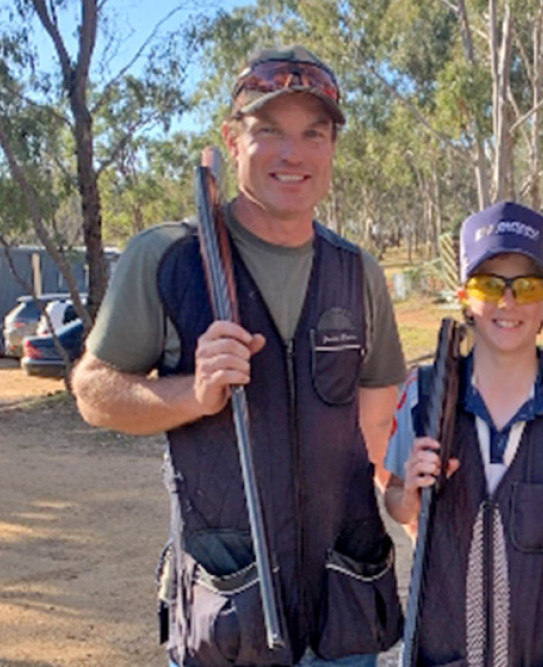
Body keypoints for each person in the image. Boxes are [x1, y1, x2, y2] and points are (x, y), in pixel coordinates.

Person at [73, 45, 407, 667]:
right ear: (233, 140)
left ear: (332, 148)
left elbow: (378, 426)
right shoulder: (170, 259)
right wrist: (191, 394)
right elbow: (93, 392)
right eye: (269, 132)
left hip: (344, 612)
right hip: (230, 614)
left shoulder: (359, 273)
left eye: (313, 133)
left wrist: (414, 506)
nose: (293, 153)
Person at [384, 201, 543, 666]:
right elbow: (396, 503)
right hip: (438, 656)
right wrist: (410, 491)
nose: (508, 301)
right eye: (489, 284)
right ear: (465, 299)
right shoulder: (423, 394)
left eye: (527, 286)